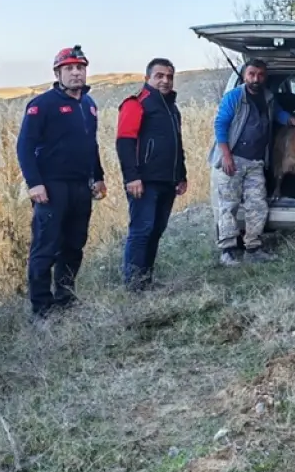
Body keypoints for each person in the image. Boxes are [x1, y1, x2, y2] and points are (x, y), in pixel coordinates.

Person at [15, 45, 107, 319]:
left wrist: (98, 177)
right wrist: (34, 183)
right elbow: (24, 146)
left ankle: (66, 298)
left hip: (81, 186)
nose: (76, 73)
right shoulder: (42, 105)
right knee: (46, 247)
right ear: (58, 73)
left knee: (74, 245)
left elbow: (91, 144)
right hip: (51, 187)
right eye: (69, 68)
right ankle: (42, 309)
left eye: (80, 68)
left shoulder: (89, 105)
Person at [210, 57, 295, 265]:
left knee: (257, 205)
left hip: (256, 162)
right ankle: (227, 250)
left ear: (265, 77)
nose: (256, 79)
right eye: (252, 74)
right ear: (244, 76)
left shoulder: (268, 97)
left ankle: (253, 249)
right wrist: (226, 156)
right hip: (233, 160)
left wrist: (292, 120)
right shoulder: (234, 97)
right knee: (228, 205)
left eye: (260, 75)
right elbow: (220, 125)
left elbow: (278, 114)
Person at [116, 57, 188, 292]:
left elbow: (177, 144)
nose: (165, 81)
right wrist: (131, 177)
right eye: (159, 76)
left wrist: (181, 175)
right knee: (141, 231)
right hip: (144, 182)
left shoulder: (172, 108)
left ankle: (146, 279)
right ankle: (134, 285)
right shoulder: (136, 104)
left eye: (169, 76)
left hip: (167, 181)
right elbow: (124, 142)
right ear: (148, 78)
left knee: (156, 230)